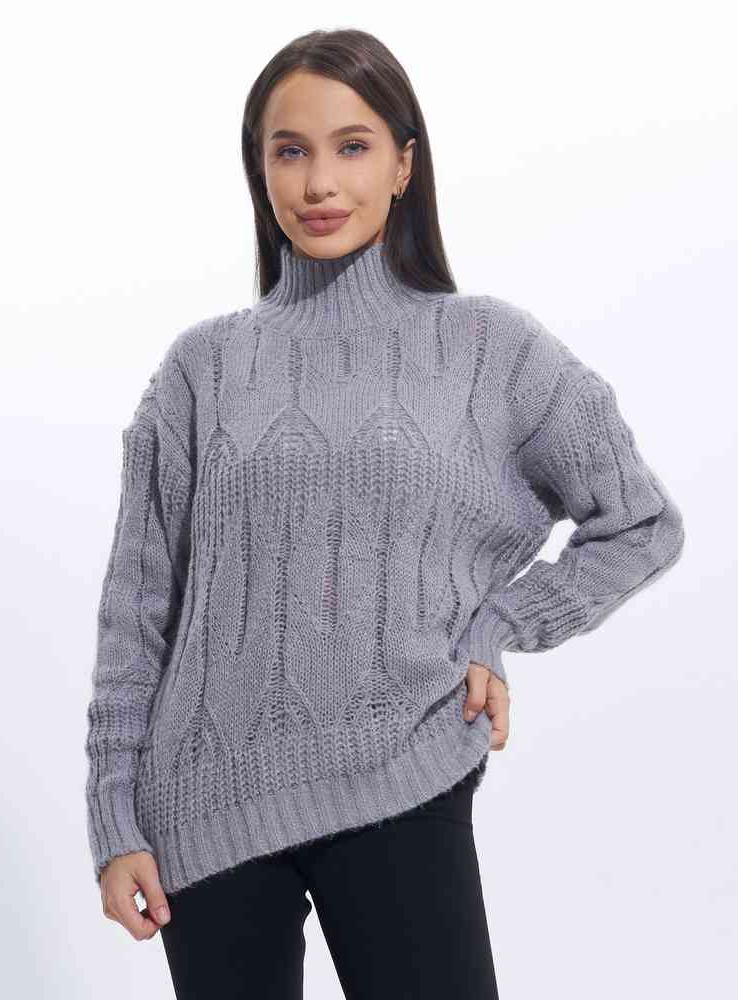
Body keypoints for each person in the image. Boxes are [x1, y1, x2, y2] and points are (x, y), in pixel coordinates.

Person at [83, 27, 685, 1000]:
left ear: (404, 164)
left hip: (401, 766)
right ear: (259, 169)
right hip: (205, 801)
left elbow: (640, 521)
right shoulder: (202, 368)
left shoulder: (490, 349)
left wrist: (502, 622)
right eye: (290, 150)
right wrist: (114, 816)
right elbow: (137, 607)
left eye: (353, 146)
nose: (320, 181)